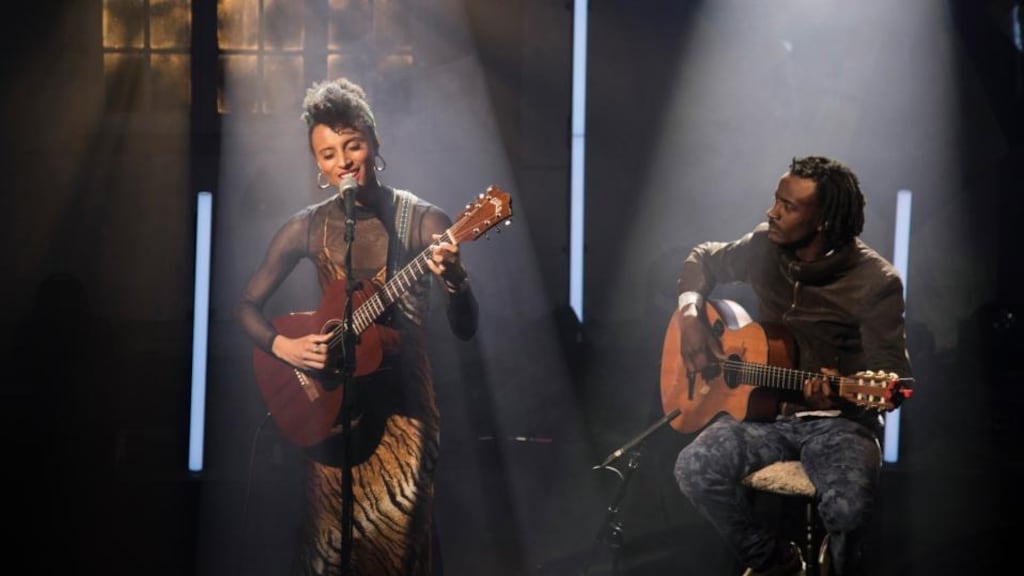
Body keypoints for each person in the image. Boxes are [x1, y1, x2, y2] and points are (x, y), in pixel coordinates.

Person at [236, 77, 479, 576]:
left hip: (403, 418)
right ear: (318, 165)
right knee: (328, 553)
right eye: (328, 154)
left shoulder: (423, 221)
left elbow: (466, 327)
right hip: (331, 418)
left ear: (375, 142)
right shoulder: (307, 226)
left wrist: (455, 279)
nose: (343, 161)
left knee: (397, 551)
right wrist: (286, 348)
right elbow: (246, 307)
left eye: (352, 145)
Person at [672, 155, 912, 576]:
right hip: (767, 416)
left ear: (823, 222)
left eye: (788, 206)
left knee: (848, 510)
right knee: (694, 467)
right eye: (776, 200)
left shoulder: (876, 281)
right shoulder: (763, 246)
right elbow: (703, 258)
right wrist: (690, 315)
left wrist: (845, 391)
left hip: (841, 424)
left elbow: (893, 375)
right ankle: (775, 562)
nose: (772, 212)